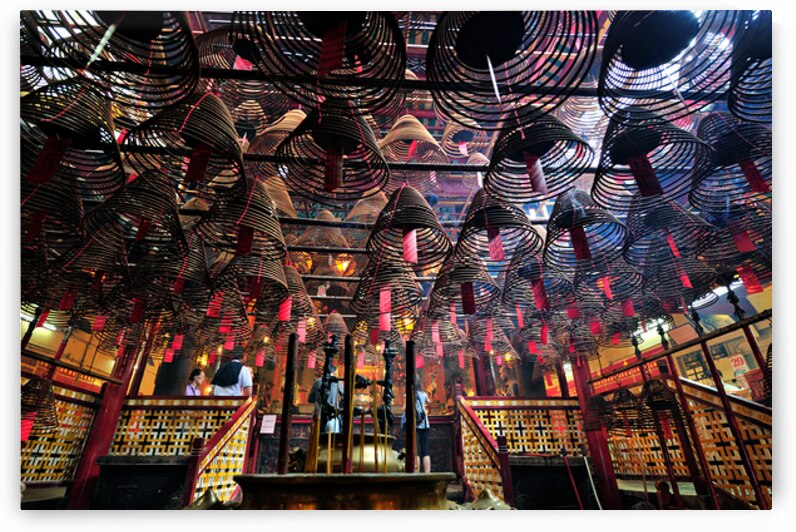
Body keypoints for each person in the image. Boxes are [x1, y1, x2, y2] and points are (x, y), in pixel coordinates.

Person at [401, 374, 431, 473]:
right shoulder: (424, 394)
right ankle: (427, 474)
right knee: (425, 450)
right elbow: (429, 403)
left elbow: (404, 409)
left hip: (414, 425)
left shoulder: (408, 395)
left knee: (416, 450)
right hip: (425, 424)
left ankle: (416, 474)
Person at [307, 365, 344, 433]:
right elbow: (345, 397)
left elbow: (310, 399)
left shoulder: (317, 382)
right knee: (331, 440)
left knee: (318, 440)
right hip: (332, 417)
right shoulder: (338, 382)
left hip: (318, 417)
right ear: (334, 372)